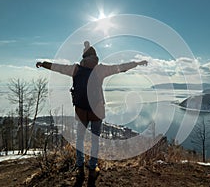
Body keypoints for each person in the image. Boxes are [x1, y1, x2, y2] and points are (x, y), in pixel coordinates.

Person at [36, 41, 147, 187]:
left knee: (80, 138)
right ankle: (93, 166)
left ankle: (79, 164)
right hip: (97, 110)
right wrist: (137, 63)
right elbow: (120, 68)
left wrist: (43, 64)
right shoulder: (100, 70)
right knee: (95, 139)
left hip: (81, 109)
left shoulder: (76, 69)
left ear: (84, 56)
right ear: (95, 56)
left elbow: (58, 68)